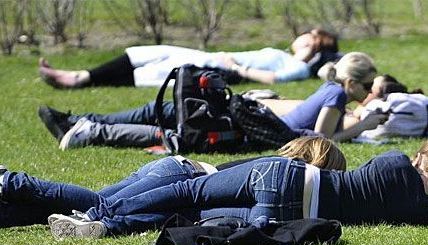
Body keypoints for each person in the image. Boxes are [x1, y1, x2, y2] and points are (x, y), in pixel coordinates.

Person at [50, 140, 428, 239]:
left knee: (190, 194)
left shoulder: (397, 164)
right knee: (192, 215)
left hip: (292, 177)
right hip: (295, 216)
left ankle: (98, 215)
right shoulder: (417, 212)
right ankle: (104, 229)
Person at [38, 52, 387, 151]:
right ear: (352, 81)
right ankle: (81, 124)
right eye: (368, 83)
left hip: (253, 117)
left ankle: (84, 124)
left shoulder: (334, 92)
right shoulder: (337, 93)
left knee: (168, 114)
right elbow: (319, 141)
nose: (370, 89)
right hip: (255, 126)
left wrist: (359, 118)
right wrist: (367, 124)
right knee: (170, 120)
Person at [0, 137, 346, 234]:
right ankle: (8, 179)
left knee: (70, 212)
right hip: (179, 174)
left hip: (172, 168)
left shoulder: (271, 166)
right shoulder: (281, 173)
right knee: (97, 203)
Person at [38, 29, 341, 88]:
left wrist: (237, 67)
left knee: (159, 71)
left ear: (314, 43)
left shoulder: (299, 68)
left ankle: (78, 79)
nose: (300, 34)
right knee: (152, 52)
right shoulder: (288, 56)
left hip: (223, 69)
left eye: (308, 34)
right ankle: (84, 75)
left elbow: (274, 79)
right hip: (214, 58)